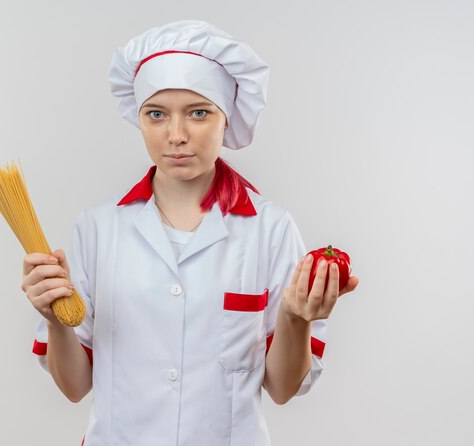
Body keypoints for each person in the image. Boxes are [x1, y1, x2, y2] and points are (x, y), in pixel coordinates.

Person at [20, 20, 359, 446]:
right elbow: (74, 388)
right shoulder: (97, 229)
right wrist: (55, 320)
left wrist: (294, 317)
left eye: (199, 112)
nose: (176, 135)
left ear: (226, 118)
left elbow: (283, 388)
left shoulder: (270, 229)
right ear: (139, 118)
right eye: (156, 114)